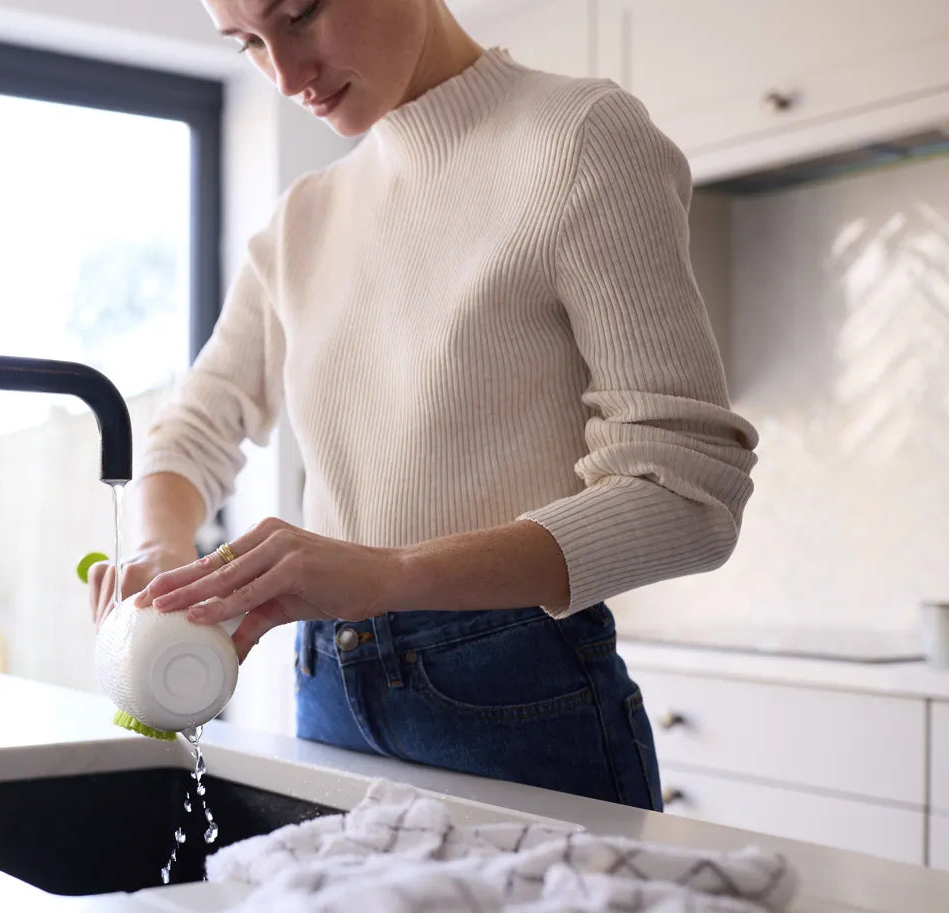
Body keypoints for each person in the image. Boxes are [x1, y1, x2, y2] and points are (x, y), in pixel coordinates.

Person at [85, 0, 757, 811]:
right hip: (325, 691)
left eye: (299, 15)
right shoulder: (303, 220)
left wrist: (388, 575)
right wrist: (161, 546)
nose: (285, 76)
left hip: (515, 697)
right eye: (249, 43)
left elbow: (688, 490)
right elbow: (193, 425)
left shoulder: (580, 139)